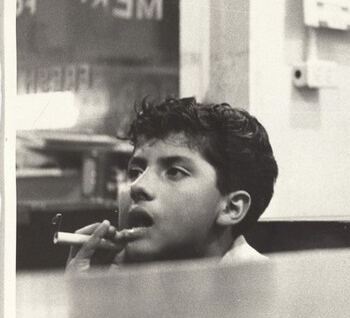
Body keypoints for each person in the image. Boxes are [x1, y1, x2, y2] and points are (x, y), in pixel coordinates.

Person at [66, 97, 278, 271]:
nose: (137, 187)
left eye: (174, 172)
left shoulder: (269, 300)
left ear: (231, 207)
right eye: (135, 172)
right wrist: (87, 300)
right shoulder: (131, 283)